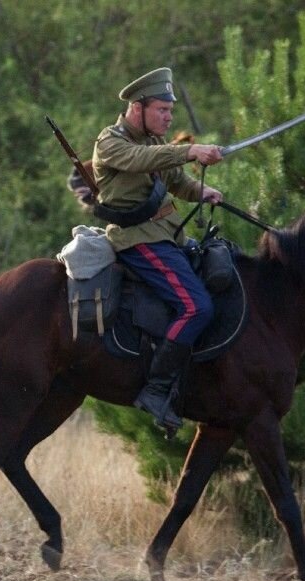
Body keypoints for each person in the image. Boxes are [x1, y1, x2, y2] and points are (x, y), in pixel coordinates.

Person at [91, 67, 223, 434]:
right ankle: (157, 389)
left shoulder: (154, 142)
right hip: (137, 239)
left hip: (167, 236)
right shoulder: (110, 142)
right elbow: (142, 160)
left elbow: (177, 182)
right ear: (138, 107)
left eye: (170, 111)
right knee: (196, 307)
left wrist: (203, 191)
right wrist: (190, 150)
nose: (168, 117)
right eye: (162, 110)